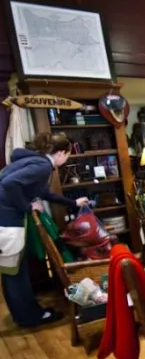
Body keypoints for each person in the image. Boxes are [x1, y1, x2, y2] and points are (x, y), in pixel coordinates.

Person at [0, 132, 89, 327]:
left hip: (5, 219)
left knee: (11, 271)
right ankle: (29, 317)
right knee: (15, 271)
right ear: (61, 153)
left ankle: (23, 314)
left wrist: (72, 202)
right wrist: (27, 206)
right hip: (7, 220)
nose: (66, 159)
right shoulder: (42, 166)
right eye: (67, 155)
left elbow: (43, 192)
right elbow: (9, 184)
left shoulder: (33, 161)